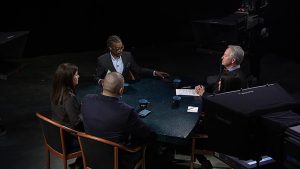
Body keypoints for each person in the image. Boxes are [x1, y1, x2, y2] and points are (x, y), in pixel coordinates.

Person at [81, 72, 154, 169]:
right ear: (121, 90)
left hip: (90, 156)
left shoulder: (87, 99)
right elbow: (146, 133)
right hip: (117, 161)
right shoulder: (126, 111)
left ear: (103, 84)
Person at [192, 45, 247, 169]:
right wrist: (204, 89)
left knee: (191, 126)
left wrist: (204, 94)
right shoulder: (227, 70)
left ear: (233, 60)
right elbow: (216, 86)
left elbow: (219, 103)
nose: (222, 57)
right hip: (214, 110)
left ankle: (203, 160)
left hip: (222, 121)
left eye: (225, 55)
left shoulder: (235, 79)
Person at [95, 35, 169, 84]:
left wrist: (154, 72)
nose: (120, 50)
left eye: (122, 47)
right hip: (111, 93)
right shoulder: (102, 60)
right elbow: (96, 77)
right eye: (118, 49)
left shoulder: (128, 56)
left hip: (127, 90)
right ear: (110, 48)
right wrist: (100, 81)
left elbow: (138, 70)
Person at [50, 63, 84, 169]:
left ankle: (80, 163)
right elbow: (76, 123)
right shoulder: (69, 97)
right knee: (98, 137)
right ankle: (82, 165)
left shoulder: (55, 92)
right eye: (76, 75)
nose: (78, 76)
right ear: (69, 78)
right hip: (67, 141)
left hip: (56, 138)